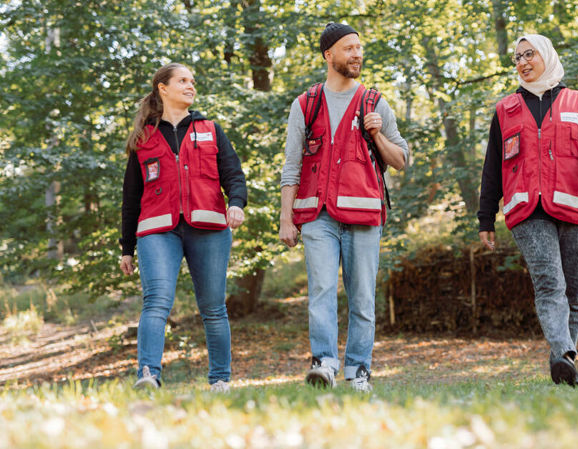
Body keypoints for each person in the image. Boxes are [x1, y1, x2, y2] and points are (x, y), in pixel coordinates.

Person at [477, 34, 578, 387]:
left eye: (530, 54)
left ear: (547, 55)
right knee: (550, 282)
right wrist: (485, 217)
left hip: (576, 204)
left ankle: (562, 362)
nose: (523, 62)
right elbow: (492, 166)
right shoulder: (505, 109)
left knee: (574, 292)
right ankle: (565, 352)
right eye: (517, 57)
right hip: (528, 210)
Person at [279, 23, 408, 392]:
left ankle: (358, 371)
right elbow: (291, 166)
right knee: (321, 290)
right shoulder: (305, 104)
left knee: (363, 297)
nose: (356, 54)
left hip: (364, 216)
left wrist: (377, 133)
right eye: (348, 48)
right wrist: (286, 218)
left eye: (359, 48)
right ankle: (324, 363)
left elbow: (400, 159)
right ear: (328, 55)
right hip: (317, 215)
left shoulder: (375, 103)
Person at [119, 63, 247, 392]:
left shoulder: (210, 128)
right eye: (183, 81)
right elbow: (131, 195)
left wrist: (236, 203)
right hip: (157, 230)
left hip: (209, 226)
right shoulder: (143, 137)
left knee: (213, 307)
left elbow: (234, 173)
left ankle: (220, 380)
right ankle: (148, 375)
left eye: (193, 80)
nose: (191, 86)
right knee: (156, 302)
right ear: (163, 88)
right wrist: (126, 249)